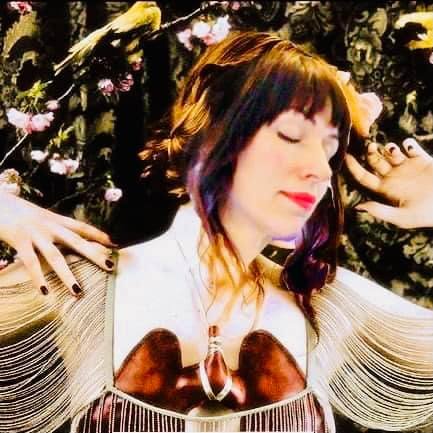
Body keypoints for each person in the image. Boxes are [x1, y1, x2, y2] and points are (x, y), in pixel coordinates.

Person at [1, 31, 433, 433]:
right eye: (291, 135)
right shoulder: (83, 287)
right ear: (215, 132)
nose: (320, 169)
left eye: (330, 149)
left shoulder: (326, 308)